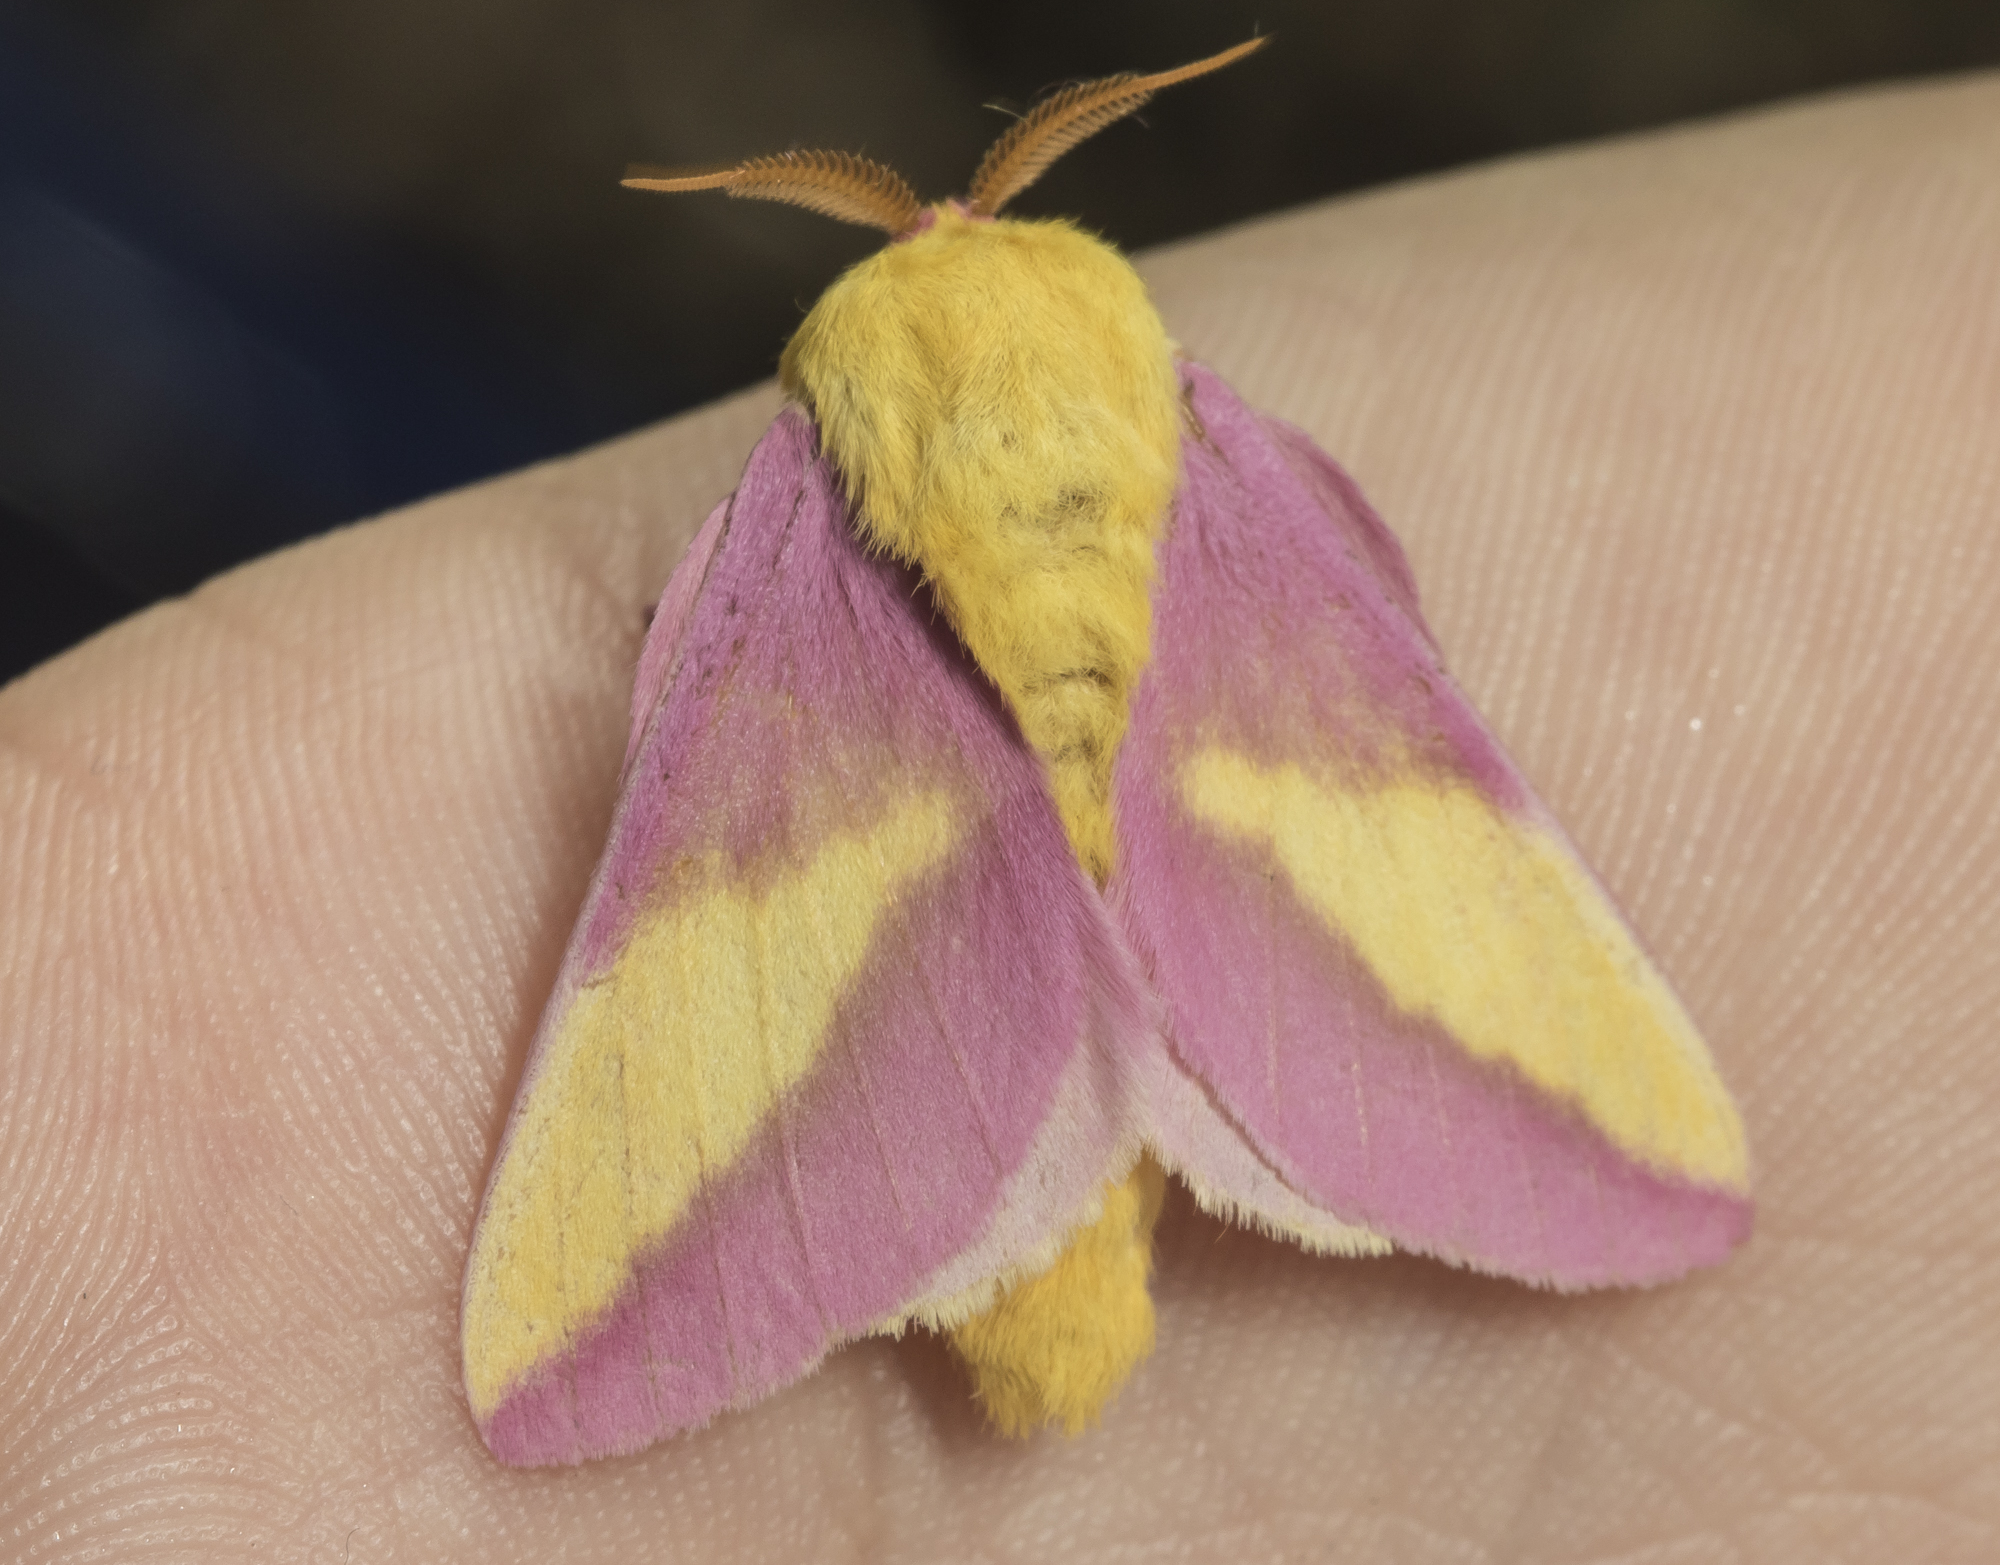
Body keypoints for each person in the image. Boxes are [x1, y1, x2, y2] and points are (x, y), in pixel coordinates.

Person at [3, 77, 1995, 1560]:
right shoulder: (1219, 442)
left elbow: (666, 655)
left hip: (845, 913)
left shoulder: (773, 529)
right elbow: (1363, 562)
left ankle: (985, 1174)